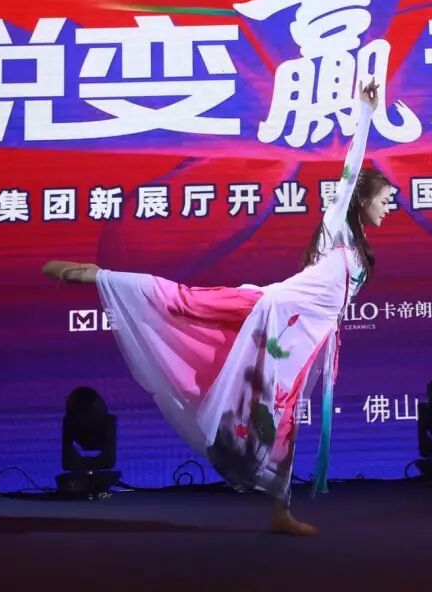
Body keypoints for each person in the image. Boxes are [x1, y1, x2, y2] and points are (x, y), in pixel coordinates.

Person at [42, 80, 393, 535]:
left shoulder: (359, 249)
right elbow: (348, 175)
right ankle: (98, 276)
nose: (389, 207)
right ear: (362, 200)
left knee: (283, 419)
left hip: (297, 340)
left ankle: (280, 511)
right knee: (186, 302)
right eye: (384, 199)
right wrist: (364, 114)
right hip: (265, 308)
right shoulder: (336, 232)